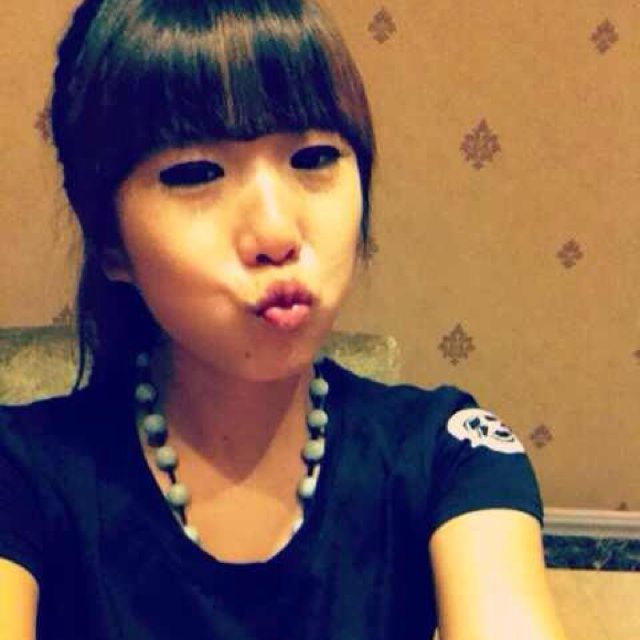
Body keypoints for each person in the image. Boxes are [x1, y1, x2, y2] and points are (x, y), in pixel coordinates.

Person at [0, 1, 568, 638]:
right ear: (111, 243)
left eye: (315, 158)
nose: (275, 232)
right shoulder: (21, 473)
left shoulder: (450, 455)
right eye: (194, 173)